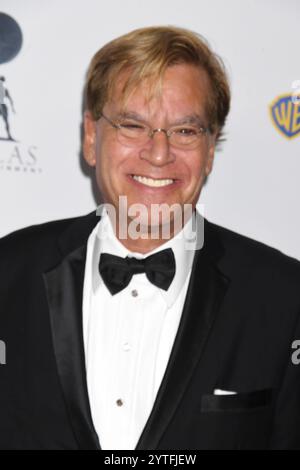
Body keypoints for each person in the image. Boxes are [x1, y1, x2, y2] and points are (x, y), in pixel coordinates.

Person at [0, 26, 300, 451]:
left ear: (211, 149)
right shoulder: (8, 273)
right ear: (91, 137)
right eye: (132, 125)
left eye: (185, 131)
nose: (159, 154)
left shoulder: (285, 298)